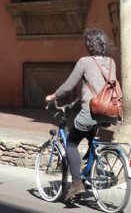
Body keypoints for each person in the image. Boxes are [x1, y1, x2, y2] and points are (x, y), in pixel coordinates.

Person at [45, 28, 117, 203]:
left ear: (90, 45)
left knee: (71, 143)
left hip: (91, 111)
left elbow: (69, 85)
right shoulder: (111, 62)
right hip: (110, 112)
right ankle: (91, 170)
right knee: (92, 136)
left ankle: (77, 182)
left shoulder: (85, 61)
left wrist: (54, 96)